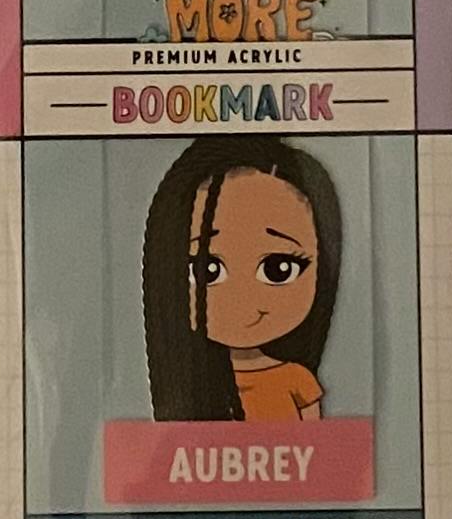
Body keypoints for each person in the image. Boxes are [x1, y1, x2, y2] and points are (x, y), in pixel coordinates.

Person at [143, 136, 340, 424]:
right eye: (208, 270)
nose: (244, 297)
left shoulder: (295, 379)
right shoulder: (190, 386)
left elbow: (316, 445)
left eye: (278, 268)